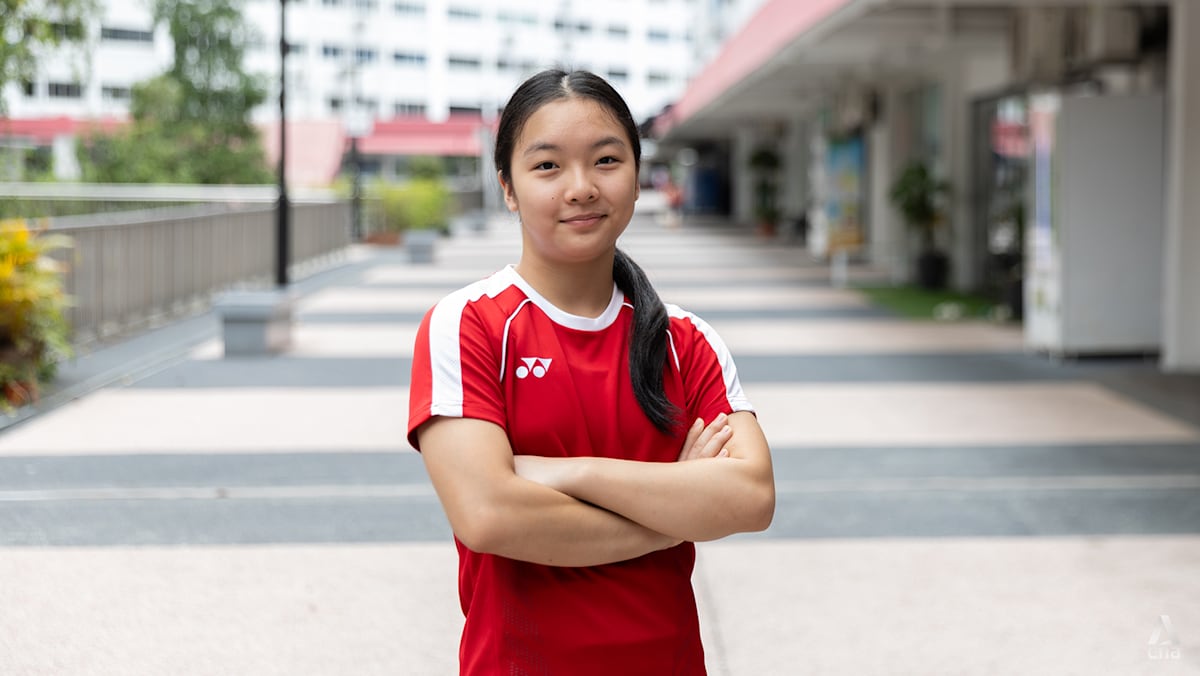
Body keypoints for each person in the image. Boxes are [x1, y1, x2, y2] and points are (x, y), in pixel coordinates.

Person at [408, 69, 774, 675]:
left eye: (606, 160)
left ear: (637, 174)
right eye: (548, 166)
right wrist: (673, 509)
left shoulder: (685, 341)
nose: (581, 188)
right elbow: (489, 515)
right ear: (508, 188)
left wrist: (566, 472)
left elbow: (751, 498)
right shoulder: (469, 325)